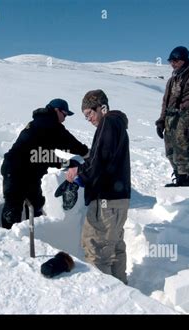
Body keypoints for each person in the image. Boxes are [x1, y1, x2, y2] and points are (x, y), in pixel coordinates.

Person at [66, 90, 131, 284]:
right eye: (85, 116)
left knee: (96, 251)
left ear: (101, 107)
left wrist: (79, 177)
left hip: (106, 202)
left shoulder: (108, 123)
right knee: (115, 248)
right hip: (118, 200)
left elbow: (99, 160)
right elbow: (101, 159)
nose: (88, 119)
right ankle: (123, 292)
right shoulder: (117, 124)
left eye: (89, 114)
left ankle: (103, 299)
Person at [1, 98, 89, 229]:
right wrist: (83, 153)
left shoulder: (45, 124)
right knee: (12, 210)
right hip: (15, 170)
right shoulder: (47, 124)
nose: (65, 118)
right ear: (56, 110)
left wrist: (72, 160)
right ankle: (8, 242)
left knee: (36, 205)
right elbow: (65, 141)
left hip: (30, 173)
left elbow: (45, 154)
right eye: (64, 114)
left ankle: (35, 238)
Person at [155, 46, 189, 187]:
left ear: (184, 60)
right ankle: (180, 179)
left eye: (176, 61)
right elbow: (165, 101)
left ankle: (187, 183)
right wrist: (161, 120)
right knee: (170, 152)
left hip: (186, 117)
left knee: (183, 152)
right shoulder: (172, 79)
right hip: (170, 120)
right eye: (171, 61)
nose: (173, 63)